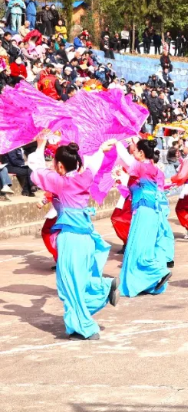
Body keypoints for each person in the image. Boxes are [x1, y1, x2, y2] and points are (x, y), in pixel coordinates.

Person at [29, 136, 119, 340]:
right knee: (81, 280)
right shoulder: (84, 177)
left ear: (60, 166)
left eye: (54, 163)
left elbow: (36, 170)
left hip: (70, 240)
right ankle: (103, 288)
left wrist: (41, 145)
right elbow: (94, 165)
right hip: (87, 239)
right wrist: (101, 150)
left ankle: (84, 327)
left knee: (70, 285)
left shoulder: (60, 183)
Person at [114, 139, 173, 297]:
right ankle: (147, 282)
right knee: (142, 248)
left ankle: (158, 271)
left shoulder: (141, 166)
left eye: (135, 150)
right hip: (149, 210)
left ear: (141, 153)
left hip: (144, 211)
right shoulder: (149, 168)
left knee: (138, 249)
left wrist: (116, 143)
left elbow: (126, 160)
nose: (132, 152)